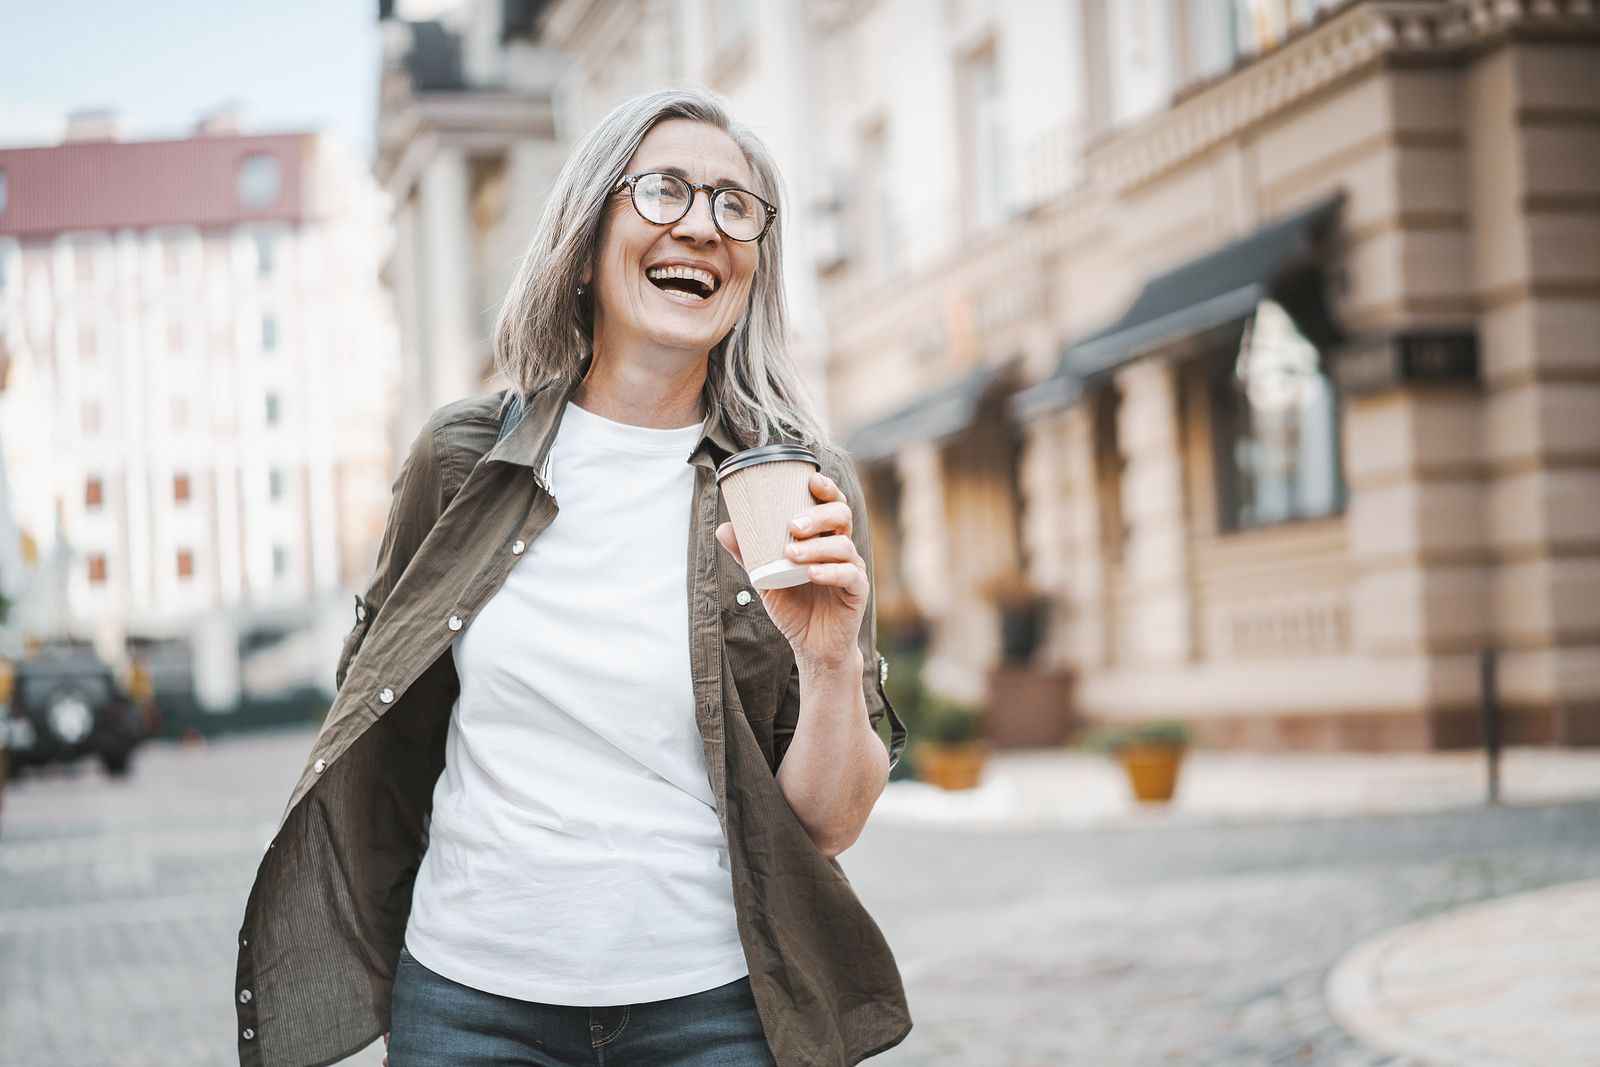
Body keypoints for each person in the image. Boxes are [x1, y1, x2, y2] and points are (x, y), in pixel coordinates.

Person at [233, 87, 909, 1067]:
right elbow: (377, 713)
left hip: (716, 1007)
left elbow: (829, 823)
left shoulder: (792, 484)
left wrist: (834, 656)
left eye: (735, 205)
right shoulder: (464, 458)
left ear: (756, 264)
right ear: (588, 237)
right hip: (470, 1005)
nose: (702, 226)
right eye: (666, 190)